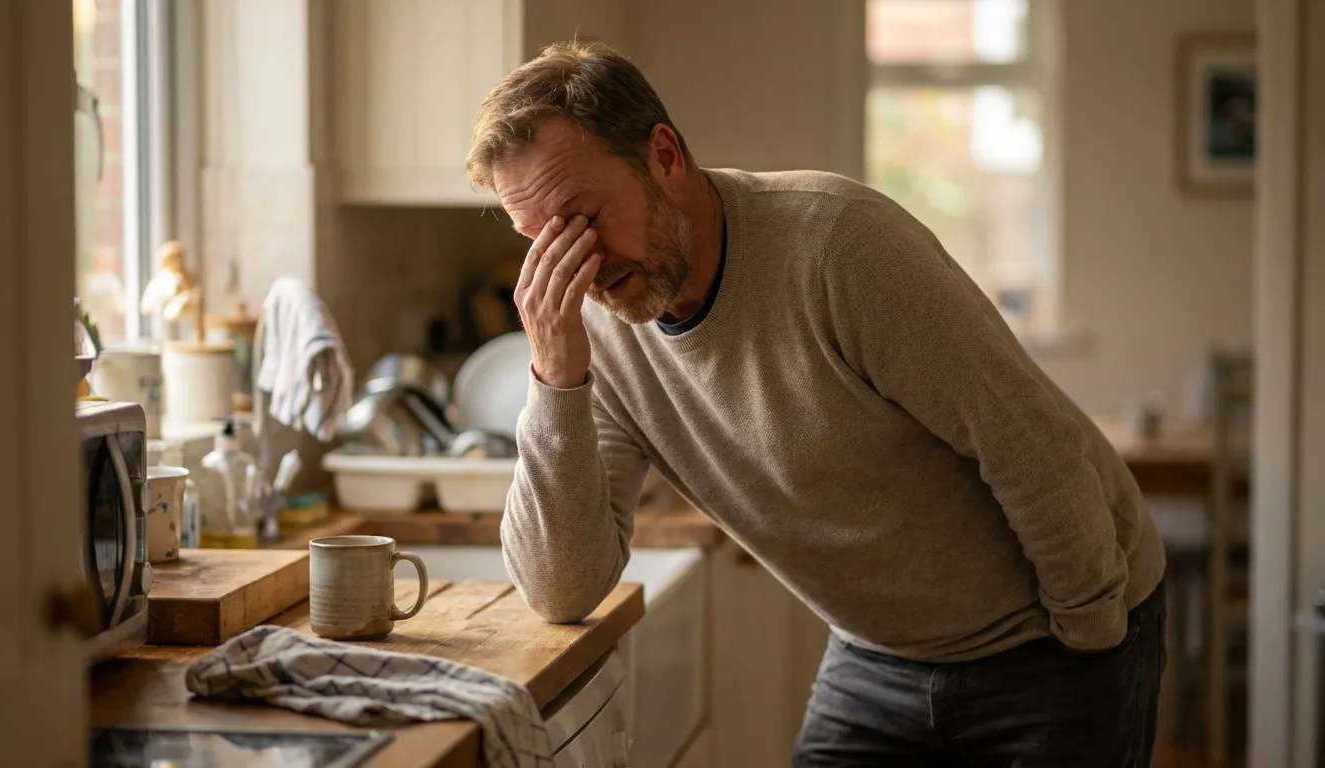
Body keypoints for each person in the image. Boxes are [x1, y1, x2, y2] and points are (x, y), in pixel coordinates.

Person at [466, 40, 1167, 767]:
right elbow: (561, 589)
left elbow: (1027, 441)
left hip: (1052, 636)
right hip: (880, 658)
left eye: (581, 216)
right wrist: (555, 375)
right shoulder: (600, 331)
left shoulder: (841, 247)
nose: (575, 263)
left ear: (665, 158)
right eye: (539, 237)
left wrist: (1090, 643)